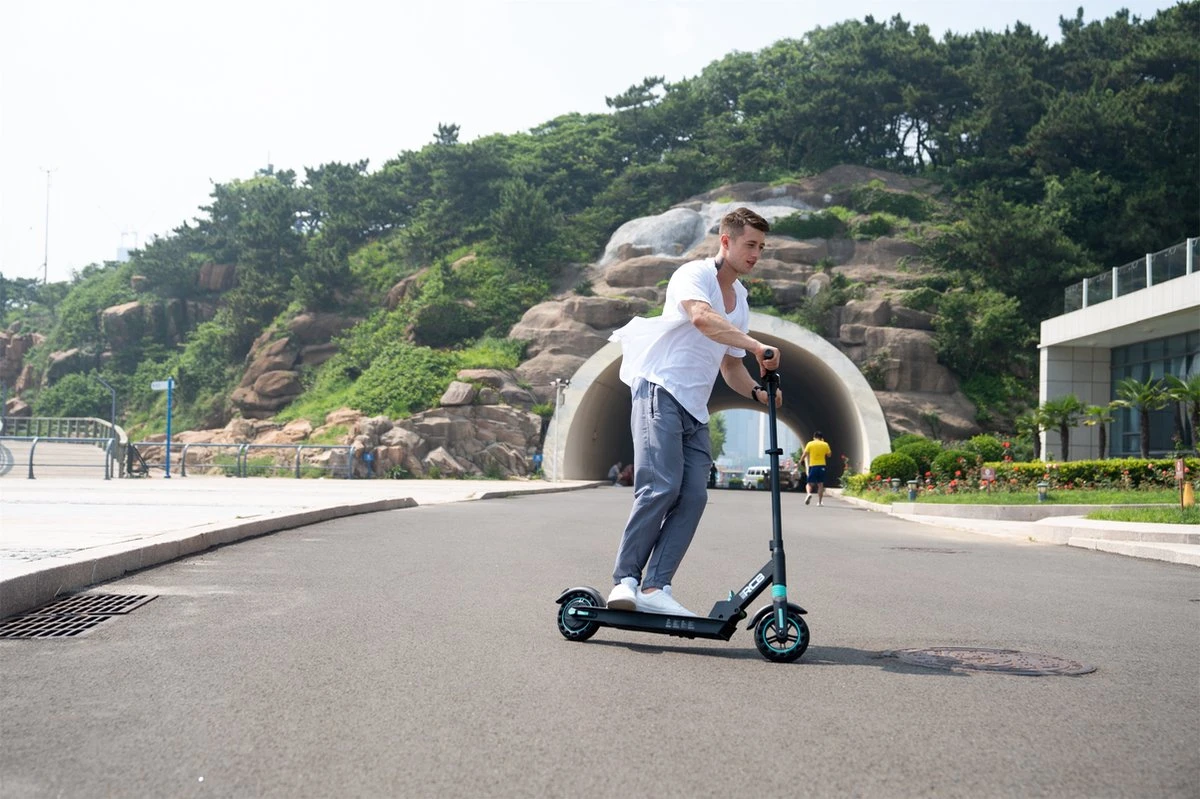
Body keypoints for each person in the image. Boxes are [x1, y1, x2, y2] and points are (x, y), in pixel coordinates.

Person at [605, 207, 782, 617]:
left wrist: (759, 393)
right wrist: (757, 346)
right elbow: (702, 319)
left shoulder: (741, 302)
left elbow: (731, 367)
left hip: (694, 410)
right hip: (660, 389)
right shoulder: (693, 275)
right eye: (750, 245)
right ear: (726, 241)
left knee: (694, 496)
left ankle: (655, 586)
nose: (756, 254)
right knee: (660, 487)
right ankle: (625, 581)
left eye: (761, 247)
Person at [802, 431, 832, 506]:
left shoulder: (810, 444)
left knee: (809, 483)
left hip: (813, 466)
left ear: (814, 437)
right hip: (822, 466)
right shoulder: (825, 444)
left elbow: (805, 454)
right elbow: (829, 455)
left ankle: (809, 493)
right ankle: (819, 502)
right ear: (821, 437)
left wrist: (800, 461)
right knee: (820, 484)